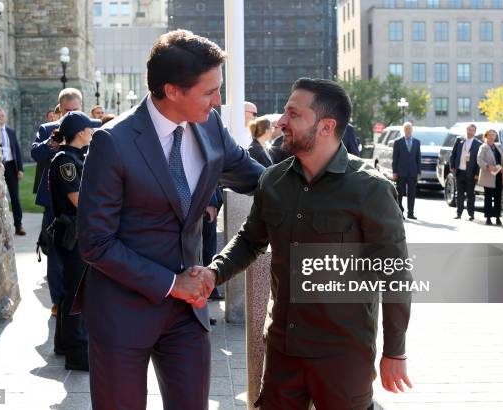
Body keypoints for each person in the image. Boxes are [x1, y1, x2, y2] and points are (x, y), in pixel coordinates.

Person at [194, 78, 412, 409]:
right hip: (283, 351)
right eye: (285, 111)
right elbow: (250, 240)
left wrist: (395, 351)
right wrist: (214, 273)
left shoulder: (371, 189)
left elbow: (395, 275)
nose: (281, 122)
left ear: (326, 126)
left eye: (293, 114)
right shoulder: (274, 180)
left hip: (343, 356)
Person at [76, 29, 264, 410]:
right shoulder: (113, 142)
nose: (218, 101)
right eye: (209, 91)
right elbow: (95, 242)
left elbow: (259, 178)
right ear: (172, 90)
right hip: (121, 311)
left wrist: (330, 179)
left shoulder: (210, 126)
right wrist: (169, 283)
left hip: (187, 315)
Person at [47, 111, 100, 371]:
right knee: (76, 293)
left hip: (77, 233)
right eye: (90, 128)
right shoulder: (65, 161)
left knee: (73, 290)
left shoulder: (77, 158)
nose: (92, 132)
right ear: (80, 132)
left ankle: (63, 343)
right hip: (72, 235)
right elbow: (78, 200)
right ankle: (77, 353)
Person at [31, 88, 82, 334]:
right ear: (59, 109)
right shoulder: (47, 129)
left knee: (77, 251)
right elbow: (35, 152)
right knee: (55, 249)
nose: (71, 114)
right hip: (55, 199)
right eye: (67, 110)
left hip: (78, 198)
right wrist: (53, 141)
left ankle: (76, 299)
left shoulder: (86, 131)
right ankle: (57, 301)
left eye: (75, 110)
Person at [0, 108, 25, 236]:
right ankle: (0, 227)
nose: (1, 118)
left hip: (11, 167)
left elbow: (17, 151)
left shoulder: (11, 132)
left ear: (6, 117)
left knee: (15, 197)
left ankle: (18, 225)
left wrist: (20, 169)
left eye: (2, 116)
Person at [450, 124, 482, 221]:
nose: (470, 132)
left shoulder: (478, 144)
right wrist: (452, 166)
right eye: (468, 130)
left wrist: (477, 174)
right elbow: (453, 154)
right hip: (460, 171)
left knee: (470, 194)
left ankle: (471, 214)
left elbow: (478, 161)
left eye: (472, 130)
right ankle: (459, 213)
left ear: (475, 132)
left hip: (471, 173)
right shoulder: (459, 140)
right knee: (459, 193)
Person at [392, 122, 421, 219]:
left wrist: (419, 172)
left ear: (412, 130)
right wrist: (394, 172)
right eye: (406, 129)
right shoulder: (398, 142)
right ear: (404, 130)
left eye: (410, 129)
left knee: (412, 194)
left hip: (412, 172)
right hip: (401, 172)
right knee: (399, 193)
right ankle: (400, 212)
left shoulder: (417, 142)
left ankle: (411, 213)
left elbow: (418, 158)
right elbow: (395, 158)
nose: (408, 130)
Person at [477, 129, 503, 226]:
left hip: (498, 175)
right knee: (488, 197)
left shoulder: (498, 146)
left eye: (493, 135)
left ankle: (498, 217)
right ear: (486, 136)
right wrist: (488, 167)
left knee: (498, 196)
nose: (492, 137)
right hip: (488, 175)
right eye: (490, 135)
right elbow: (479, 160)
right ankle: (488, 218)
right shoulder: (483, 147)